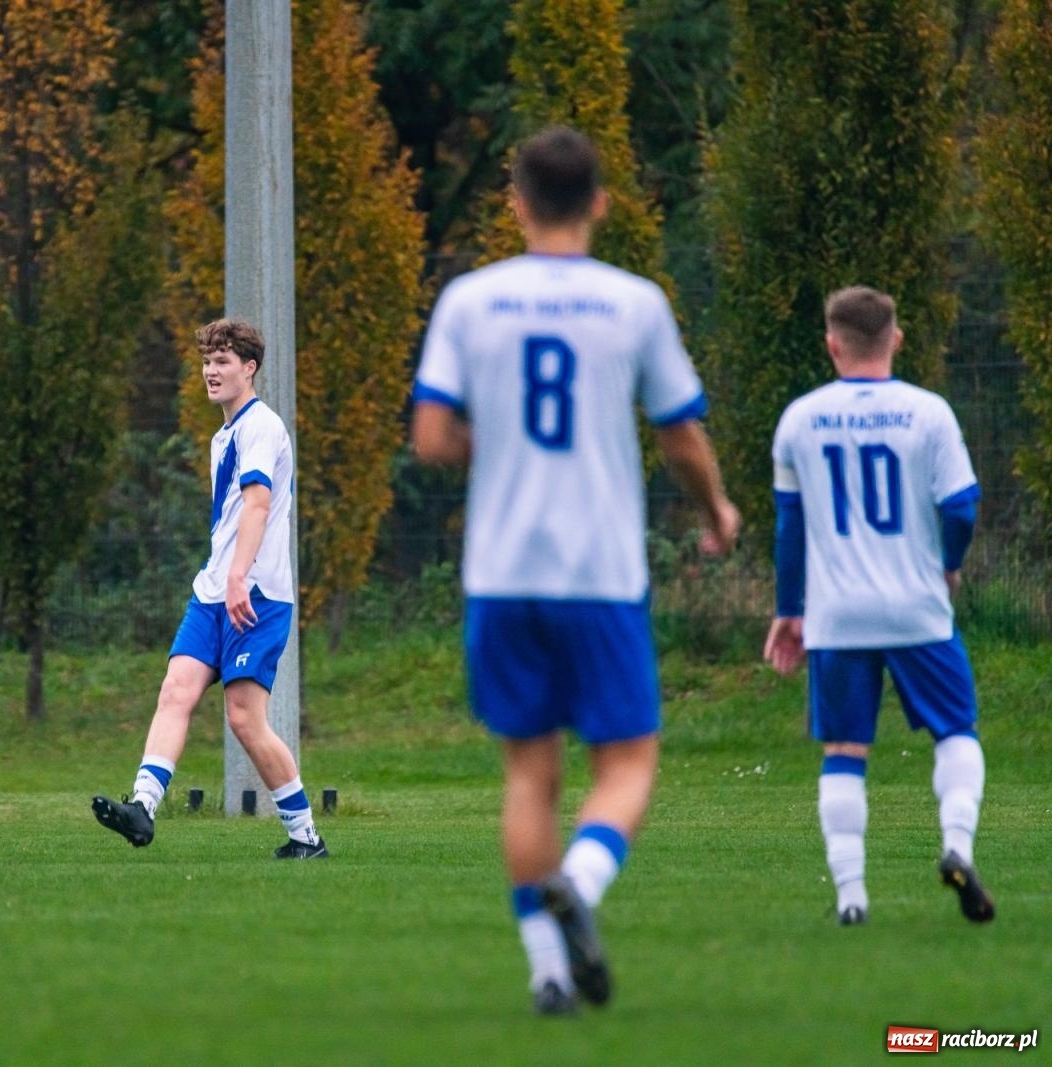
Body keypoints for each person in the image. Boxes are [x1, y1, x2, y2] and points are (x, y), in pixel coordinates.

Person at [411, 126, 739, 1015]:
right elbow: (680, 434)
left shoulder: (470, 299)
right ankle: (581, 885)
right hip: (599, 570)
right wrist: (717, 510)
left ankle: (549, 973)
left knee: (530, 775)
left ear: (516, 202)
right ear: (600, 202)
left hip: (501, 570)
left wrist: (499, 448)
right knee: (627, 762)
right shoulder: (634, 303)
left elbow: (431, 437)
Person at [764, 286, 992, 927]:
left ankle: (852, 898)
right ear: (896, 338)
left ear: (832, 345)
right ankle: (957, 845)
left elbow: (789, 527)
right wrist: (947, 564)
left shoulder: (800, 419)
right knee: (955, 730)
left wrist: (789, 609)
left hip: (837, 615)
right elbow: (961, 507)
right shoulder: (929, 413)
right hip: (916, 607)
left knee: (844, 749)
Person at [92, 319, 327, 859]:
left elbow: (258, 505)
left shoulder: (260, 426)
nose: (210, 371)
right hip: (213, 590)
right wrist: (223, 578)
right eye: (206, 362)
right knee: (176, 689)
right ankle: (143, 807)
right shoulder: (224, 435)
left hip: (257, 593)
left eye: (222, 361)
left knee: (244, 717)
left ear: (250, 368)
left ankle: (305, 837)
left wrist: (240, 576)